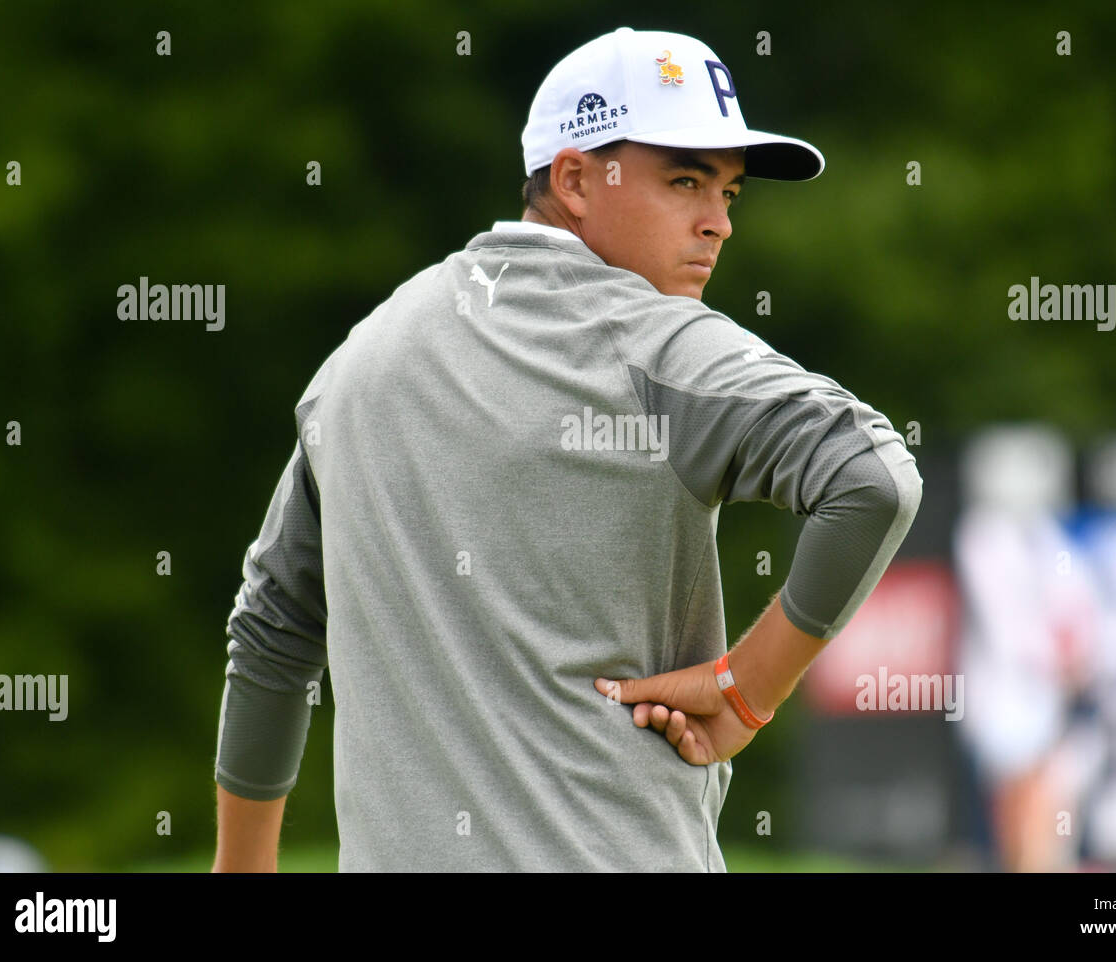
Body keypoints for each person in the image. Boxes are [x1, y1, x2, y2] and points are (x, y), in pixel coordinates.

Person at [212, 26, 922, 873]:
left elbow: (271, 631)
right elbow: (875, 480)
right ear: (576, 180)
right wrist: (749, 688)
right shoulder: (663, 346)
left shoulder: (364, 357)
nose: (718, 223)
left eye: (730, 193)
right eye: (685, 180)